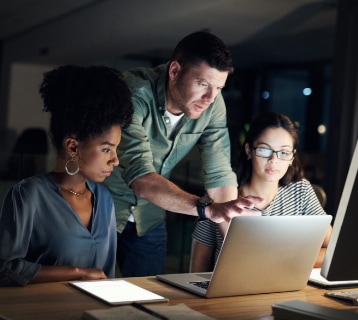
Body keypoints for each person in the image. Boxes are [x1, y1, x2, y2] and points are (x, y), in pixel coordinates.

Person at [102, 31, 262, 277]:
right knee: (89, 296)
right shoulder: (133, 93)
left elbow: (219, 175)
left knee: (148, 303)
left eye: (219, 87)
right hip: (101, 210)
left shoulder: (212, 105)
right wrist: (207, 209)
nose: (210, 98)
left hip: (150, 216)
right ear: (174, 71)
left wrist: (239, 249)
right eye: (202, 84)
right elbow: (142, 179)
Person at [0, 65, 133, 286]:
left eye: (116, 149)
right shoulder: (27, 195)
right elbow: (5, 269)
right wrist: (76, 272)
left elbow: (106, 276)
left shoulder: (105, 199)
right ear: (73, 147)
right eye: (106, 149)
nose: (115, 160)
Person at [190, 111, 332, 272]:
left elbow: (332, 249)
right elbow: (198, 267)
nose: (274, 160)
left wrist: (282, 260)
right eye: (265, 150)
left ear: (292, 157)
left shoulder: (301, 191)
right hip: (230, 293)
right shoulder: (220, 197)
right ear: (249, 150)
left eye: (284, 152)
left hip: (286, 290)